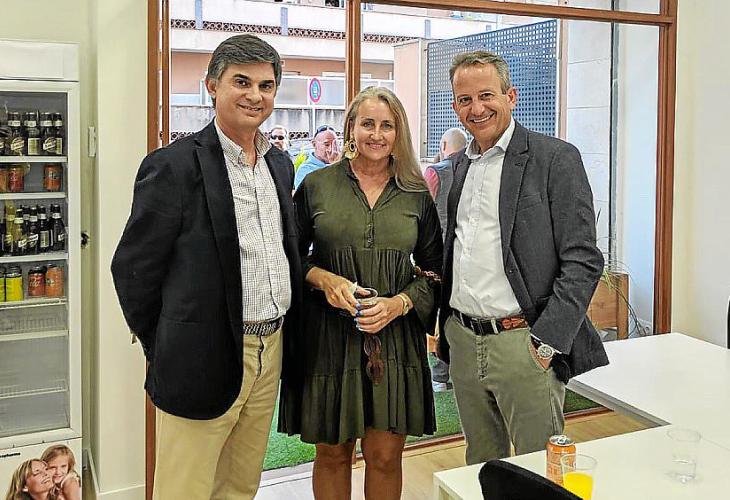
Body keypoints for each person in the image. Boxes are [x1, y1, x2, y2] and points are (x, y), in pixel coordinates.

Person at [111, 34, 302, 500]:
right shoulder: (173, 167)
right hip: (201, 353)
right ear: (212, 86)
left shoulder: (279, 164)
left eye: (266, 85)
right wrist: (168, 342)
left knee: (240, 485)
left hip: (270, 350)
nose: (255, 95)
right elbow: (134, 270)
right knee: (185, 489)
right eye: (242, 82)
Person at [439, 50, 608, 465]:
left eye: (486, 95)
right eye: (465, 100)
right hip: (464, 340)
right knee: (481, 465)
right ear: (456, 106)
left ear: (510, 96)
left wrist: (547, 341)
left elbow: (584, 259)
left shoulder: (554, 158)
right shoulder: (458, 166)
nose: (477, 109)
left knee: (536, 471)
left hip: (524, 342)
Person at [279, 86, 443, 500]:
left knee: (385, 456)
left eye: (387, 125)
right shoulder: (316, 185)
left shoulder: (415, 192)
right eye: (368, 123)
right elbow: (289, 258)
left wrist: (399, 304)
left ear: (398, 132)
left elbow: (435, 271)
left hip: (394, 340)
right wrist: (324, 279)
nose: (377, 134)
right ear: (351, 127)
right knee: (333, 454)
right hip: (328, 339)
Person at [423, 127, 467, 392]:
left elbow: (422, 211)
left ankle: (439, 375)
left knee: (440, 314)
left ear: (442, 145)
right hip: (468, 255)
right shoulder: (474, 169)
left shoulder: (434, 172)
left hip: (439, 255)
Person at [293, 124, 340, 189]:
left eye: (335, 145)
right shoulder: (305, 169)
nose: (331, 149)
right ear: (314, 144)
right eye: (327, 145)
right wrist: (334, 166)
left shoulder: (343, 164)